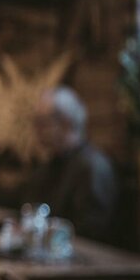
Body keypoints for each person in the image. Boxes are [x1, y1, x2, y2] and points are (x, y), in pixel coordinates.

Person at [23, 85, 118, 243]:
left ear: (65, 123)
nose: (36, 130)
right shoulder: (50, 165)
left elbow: (91, 233)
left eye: (42, 122)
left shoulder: (93, 168)